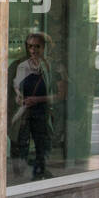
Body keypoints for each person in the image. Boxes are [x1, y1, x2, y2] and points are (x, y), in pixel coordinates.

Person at [10, 32, 66, 180]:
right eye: (30, 47)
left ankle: (39, 172)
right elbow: (15, 89)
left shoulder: (52, 67)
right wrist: (19, 98)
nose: (33, 50)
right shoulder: (21, 66)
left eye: (37, 47)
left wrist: (37, 99)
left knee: (43, 144)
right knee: (21, 143)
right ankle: (20, 175)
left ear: (45, 48)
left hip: (42, 112)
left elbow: (61, 94)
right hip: (24, 112)